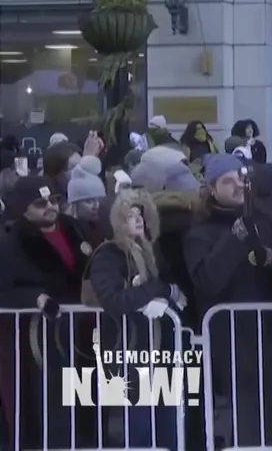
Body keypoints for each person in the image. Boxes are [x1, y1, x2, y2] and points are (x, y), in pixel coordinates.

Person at [182, 153, 272, 447]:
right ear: (211, 189)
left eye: (241, 178)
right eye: (227, 181)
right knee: (244, 408)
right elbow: (207, 281)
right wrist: (235, 239)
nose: (238, 185)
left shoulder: (269, 221)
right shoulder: (199, 233)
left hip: (270, 329)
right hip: (230, 334)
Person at [0, 175, 98, 448]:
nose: (50, 207)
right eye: (41, 203)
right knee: (53, 395)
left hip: (85, 329)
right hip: (41, 336)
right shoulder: (12, 243)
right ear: (24, 208)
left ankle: (88, 438)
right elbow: (5, 289)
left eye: (53, 200)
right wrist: (36, 297)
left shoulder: (75, 228)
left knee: (87, 389)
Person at [85, 190, 186, 449]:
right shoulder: (108, 254)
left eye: (140, 213)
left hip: (158, 346)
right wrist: (158, 290)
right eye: (130, 215)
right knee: (139, 422)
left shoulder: (148, 249)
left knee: (168, 417)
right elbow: (113, 299)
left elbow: (169, 284)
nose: (138, 219)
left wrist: (164, 291)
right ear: (115, 220)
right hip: (129, 347)